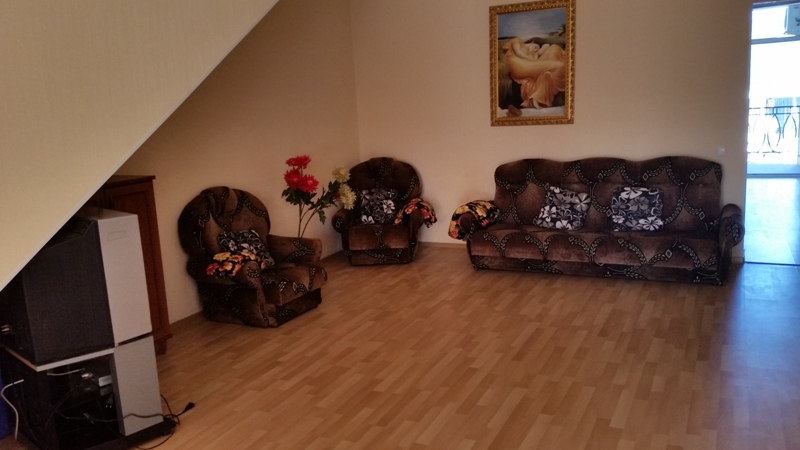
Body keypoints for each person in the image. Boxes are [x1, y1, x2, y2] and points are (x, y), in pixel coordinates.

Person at [501, 37, 566, 109]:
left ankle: (536, 97)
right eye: (535, 47)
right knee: (559, 65)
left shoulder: (531, 54)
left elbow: (538, 58)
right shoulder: (517, 40)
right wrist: (533, 58)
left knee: (554, 48)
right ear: (532, 42)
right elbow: (519, 53)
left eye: (536, 50)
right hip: (519, 66)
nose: (535, 50)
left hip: (528, 66)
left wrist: (539, 51)